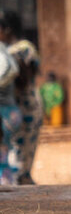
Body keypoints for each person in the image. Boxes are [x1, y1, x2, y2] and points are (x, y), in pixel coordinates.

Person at [2, 9, 43, 184]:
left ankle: (33, 205)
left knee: (21, 165)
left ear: (7, 29)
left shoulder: (23, 48)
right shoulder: (6, 50)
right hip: (15, 109)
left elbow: (25, 80)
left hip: (27, 108)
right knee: (16, 161)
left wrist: (12, 66)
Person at [0, 18, 22, 185]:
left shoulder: (1, 50)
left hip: (5, 111)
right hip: (9, 110)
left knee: (4, 151)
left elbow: (11, 69)